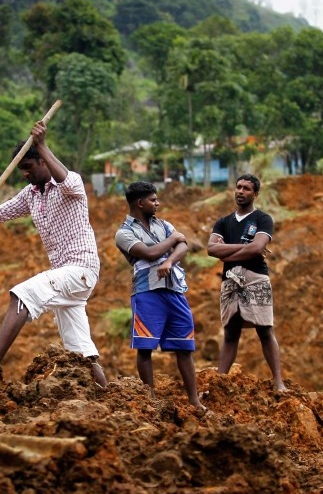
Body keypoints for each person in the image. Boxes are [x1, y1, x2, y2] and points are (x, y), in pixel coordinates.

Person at [0, 121, 107, 388]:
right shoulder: (31, 195)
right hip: (65, 278)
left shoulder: (69, 184)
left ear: (42, 161)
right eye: (21, 170)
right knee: (81, 353)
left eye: (28, 167)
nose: (25, 174)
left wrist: (41, 144)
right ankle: (108, 394)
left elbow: (67, 180)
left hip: (80, 269)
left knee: (21, 295)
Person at [115, 181, 205, 412]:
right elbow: (149, 252)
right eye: (153, 200)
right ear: (140, 203)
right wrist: (173, 240)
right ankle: (151, 399)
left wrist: (169, 260)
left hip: (174, 290)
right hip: (146, 293)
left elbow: (184, 247)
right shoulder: (124, 233)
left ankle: (194, 401)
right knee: (145, 348)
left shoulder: (162, 224)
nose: (158, 203)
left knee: (185, 348)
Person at [207, 174, 286, 392]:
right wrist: (244, 249)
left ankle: (279, 382)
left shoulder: (262, 219)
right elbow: (211, 249)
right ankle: (219, 383)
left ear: (255, 194)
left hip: (255, 278)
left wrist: (227, 252)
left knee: (265, 330)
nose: (241, 191)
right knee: (231, 332)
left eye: (247, 189)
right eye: (238, 187)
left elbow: (257, 248)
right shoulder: (223, 222)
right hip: (230, 280)